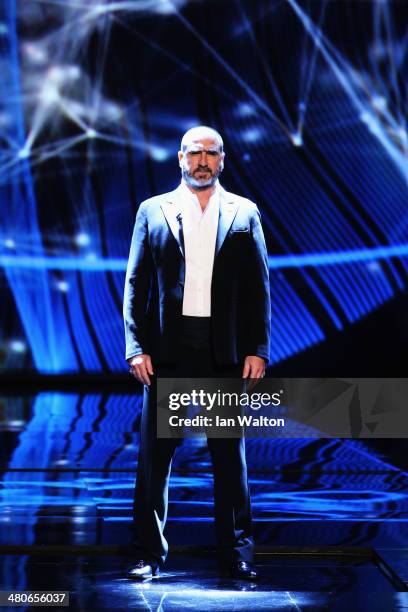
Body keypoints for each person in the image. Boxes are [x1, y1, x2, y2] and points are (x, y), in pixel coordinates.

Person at [123, 125, 271, 580]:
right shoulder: (153, 210)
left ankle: (237, 553)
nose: (202, 161)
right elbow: (135, 283)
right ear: (180, 158)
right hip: (167, 348)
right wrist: (134, 347)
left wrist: (258, 348)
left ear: (222, 160)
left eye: (211, 153)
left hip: (223, 348)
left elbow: (258, 287)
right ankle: (149, 554)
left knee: (229, 458)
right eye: (194, 153)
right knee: (155, 457)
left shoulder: (244, 212)